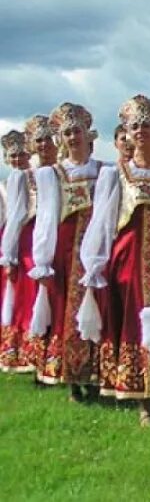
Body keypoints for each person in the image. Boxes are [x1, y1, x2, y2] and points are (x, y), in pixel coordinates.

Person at [79, 95, 150, 426]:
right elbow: (102, 221)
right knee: (135, 321)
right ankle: (144, 400)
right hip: (131, 258)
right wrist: (94, 264)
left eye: (148, 125)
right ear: (126, 134)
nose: (141, 131)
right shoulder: (116, 175)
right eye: (135, 126)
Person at [28, 104, 104, 397]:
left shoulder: (104, 171)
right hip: (67, 248)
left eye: (77, 131)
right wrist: (43, 260)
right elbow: (45, 218)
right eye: (68, 132)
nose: (73, 137)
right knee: (67, 310)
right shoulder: (52, 175)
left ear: (88, 135)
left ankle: (96, 373)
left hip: (97, 247)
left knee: (101, 304)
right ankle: (71, 376)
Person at [0, 117, 57, 374]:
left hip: (63, 238)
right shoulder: (25, 178)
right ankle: (33, 356)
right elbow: (14, 216)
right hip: (32, 241)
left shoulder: (65, 171)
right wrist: (9, 255)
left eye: (49, 139)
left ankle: (56, 355)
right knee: (33, 297)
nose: (44, 145)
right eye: (39, 140)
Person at [0, 129, 34, 372]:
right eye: (13, 156)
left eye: (21, 154)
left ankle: (31, 351)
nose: (18, 160)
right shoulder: (6, 184)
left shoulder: (36, 179)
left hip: (30, 239)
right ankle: (12, 349)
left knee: (28, 295)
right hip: (11, 241)